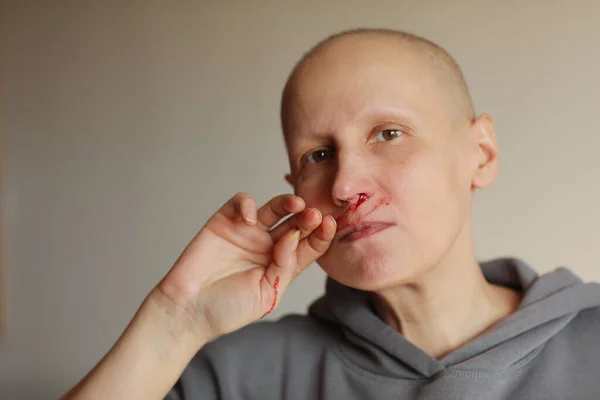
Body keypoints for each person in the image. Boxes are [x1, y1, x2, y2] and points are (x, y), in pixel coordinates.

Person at [62, 29, 600, 400]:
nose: (345, 187)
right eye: (317, 156)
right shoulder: (239, 374)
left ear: (480, 154)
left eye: (389, 134)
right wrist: (174, 322)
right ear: (295, 188)